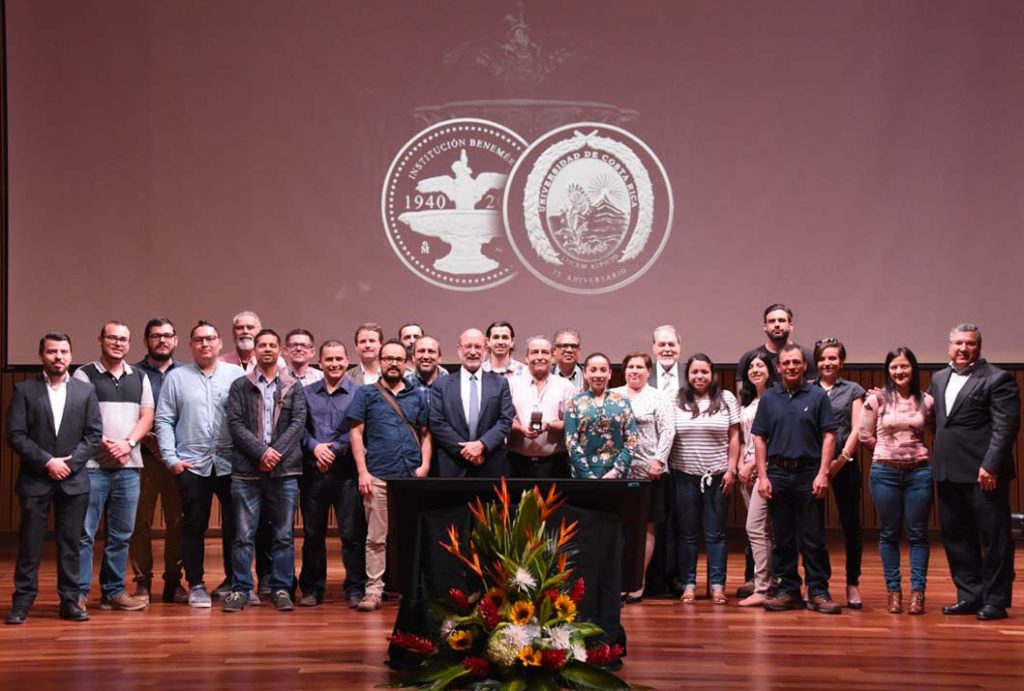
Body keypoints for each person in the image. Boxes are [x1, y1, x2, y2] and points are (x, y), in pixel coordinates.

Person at [6, 333, 103, 624]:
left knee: (71, 543)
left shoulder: (85, 392)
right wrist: (48, 462)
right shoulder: (24, 390)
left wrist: (69, 464)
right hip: (36, 479)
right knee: (30, 544)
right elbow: (15, 435)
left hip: (73, 480)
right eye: (51, 351)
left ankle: (70, 602)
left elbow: (94, 434)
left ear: (71, 356)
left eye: (63, 351)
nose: (58, 357)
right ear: (41, 355)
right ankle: (22, 603)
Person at [929, 323, 1020, 621]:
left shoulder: (997, 378)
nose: (963, 349)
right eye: (958, 343)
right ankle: (969, 595)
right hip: (947, 470)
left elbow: (1005, 427)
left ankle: (995, 600)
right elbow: (935, 421)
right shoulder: (939, 378)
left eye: (969, 343)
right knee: (956, 536)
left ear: (978, 347)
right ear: (949, 346)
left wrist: (991, 464)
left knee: (994, 538)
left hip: (984, 473)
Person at [155, 321, 245, 608]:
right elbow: (164, 419)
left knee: (236, 526)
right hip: (192, 464)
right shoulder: (176, 378)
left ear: (220, 343)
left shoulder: (236, 375)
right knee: (193, 526)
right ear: (190, 345)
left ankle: (235, 583)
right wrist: (171, 459)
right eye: (199, 340)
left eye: (210, 339)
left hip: (231, 464)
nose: (205, 344)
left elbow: (247, 417)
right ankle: (196, 584)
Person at [222, 330, 308, 613]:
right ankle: (241, 589)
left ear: (280, 350)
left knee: (283, 535)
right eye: (262, 345)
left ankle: (281, 588)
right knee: (243, 535)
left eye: (272, 345)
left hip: (284, 472)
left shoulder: (293, 385)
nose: (267, 349)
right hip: (247, 471)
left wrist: (275, 454)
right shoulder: (239, 385)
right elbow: (235, 424)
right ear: (255, 350)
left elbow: (298, 423)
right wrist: (261, 452)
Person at [72, 321, 154, 612]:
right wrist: (107, 442)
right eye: (112, 338)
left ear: (130, 344)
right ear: (100, 340)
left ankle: (114, 592)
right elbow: (79, 415)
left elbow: (147, 416)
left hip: (129, 467)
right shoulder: (84, 374)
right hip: (92, 466)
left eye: (123, 339)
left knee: (121, 535)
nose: (118, 343)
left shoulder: (139, 376)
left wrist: (128, 444)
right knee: (84, 533)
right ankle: (78, 594)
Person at [753, 344, 840, 614]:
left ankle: (818, 591)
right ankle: (788, 590)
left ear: (804, 366)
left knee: (813, 538)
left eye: (796, 362)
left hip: (808, 474)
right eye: (786, 363)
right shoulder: (769, 398)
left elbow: (829, 435)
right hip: (777, 473)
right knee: (783, 538)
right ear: (778, 368)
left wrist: (823, 473)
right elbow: (759, 437)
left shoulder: (817, 396)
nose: (790, 367)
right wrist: (763, 476)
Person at [349, 339, 432, 612]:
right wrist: (363, 472)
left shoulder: (418, 395)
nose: (393, 363)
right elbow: (356, 434)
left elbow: (426, 433)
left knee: (411, 536)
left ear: (406, 363)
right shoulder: (366, 394)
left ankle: (411, 589)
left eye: (398, 359)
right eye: (388, 358)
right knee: (375, 538)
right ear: (380, 362)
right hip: (379, 476)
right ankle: (373, 591)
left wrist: (425, 466)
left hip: (411, 478)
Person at [859, 346, 935, 615]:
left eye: (904, 366)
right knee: (889, 533)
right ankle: (894, 592)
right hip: (885, 473)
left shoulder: (927, 400)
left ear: (913, 368)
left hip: (919, 473)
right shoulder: (876, 399)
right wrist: (886, 452)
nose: (899, 371)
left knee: (918, 534)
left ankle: (918, 594)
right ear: (888, 371)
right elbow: (863, 434)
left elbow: (934, 430)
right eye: (894, 367)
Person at [298, 339, 366, 609]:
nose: (334, 364)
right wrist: (315, 449)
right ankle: (313, 589)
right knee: (313, 535)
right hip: (314, 473)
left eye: (339, 359)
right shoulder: (305, 393)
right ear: (321, 362)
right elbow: (298, 428)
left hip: (347, 473)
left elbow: (359, 430)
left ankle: (354, 588)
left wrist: (333, 451)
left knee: (351, 535)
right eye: (329, 359)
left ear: (347, 360)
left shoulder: (359, 393)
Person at [668, 354, 740, 605]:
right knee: (687, 535)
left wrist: (732, 470)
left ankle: (717, 585)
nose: (699, 377)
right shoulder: (676, 400)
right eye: (694, 372)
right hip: (684, 475)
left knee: (716, 534)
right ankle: (689, 584)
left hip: (718, 476)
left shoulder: (726, 398)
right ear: (687, 375)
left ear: (712, 374)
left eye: (704, 372)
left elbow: (734, 436)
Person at [130, 317, 187, 605]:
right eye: (155, 336)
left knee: (178, 522)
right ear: (146, 341)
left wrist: (169, 446)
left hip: (177, 460)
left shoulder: (186, 373)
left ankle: (174, 583)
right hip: (142, 459)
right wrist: (146, 437)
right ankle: (142, 583)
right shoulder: (133, 373)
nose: (162, 340)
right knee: (139, 522)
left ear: (175, 340)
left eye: (167, 335)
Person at [611, 352, 674, 602]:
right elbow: (604, 429)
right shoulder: (614, 395)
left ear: (649, 371)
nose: (634, 371)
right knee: (622, 526)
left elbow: (668, 431)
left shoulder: (659, 397)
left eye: (639, 367)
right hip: (618, 472)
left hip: (650, 471)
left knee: (646, 526)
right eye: (630, 367)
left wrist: (658, 461)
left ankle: (638, 581)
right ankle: (621, 580)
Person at [813, 338, 866, 608]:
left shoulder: (853, 390)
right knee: (814, 527)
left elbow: (857, 428)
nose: (827, 363)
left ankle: (852, 583)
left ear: (841, 361)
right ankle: (818, 584)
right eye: (822, 358)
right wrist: (822, 466)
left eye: (833, 358)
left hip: (844, 464)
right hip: (814, 467)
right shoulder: (808, 389)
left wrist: (841, 460)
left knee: (851, 526)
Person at [430, 328, 514, 478]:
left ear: (486, 350)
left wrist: (481, 445)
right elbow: (437, 423)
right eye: (468, 346)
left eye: (478, 347)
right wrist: (467, 451)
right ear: (459, 349)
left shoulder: (500, 383)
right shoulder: (441, 384)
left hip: (490, 463)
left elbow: (505, 421)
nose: (473, 352)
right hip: (453, 464)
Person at [736, 352, 779, 607]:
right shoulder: (748, 401)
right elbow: (743, 438)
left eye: (760, 365)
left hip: (767, 470)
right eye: (751, 366)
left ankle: (765, 585)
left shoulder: (775, 399)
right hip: (746, 475)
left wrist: (753, 465)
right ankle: (767, 582)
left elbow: (771, 438)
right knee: (760, 531)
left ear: (770, 370)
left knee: (760, 528)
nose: (755, 370)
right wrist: (742, 465)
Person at [508, 336, 575, 478]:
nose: (540, 357)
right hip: (517, 463)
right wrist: (521, 429)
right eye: (534, 352)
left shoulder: (565, 386)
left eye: (545, 352)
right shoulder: (511, 384)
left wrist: (549, 426)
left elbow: (571, 423)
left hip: (555, 464)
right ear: (526, 358)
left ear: (553, 357)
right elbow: (504, 419)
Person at [565, 352, 637, 479]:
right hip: (583, 475)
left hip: (618, 475)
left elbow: (631, 440)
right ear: (585, 373)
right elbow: (571, 442)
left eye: (603, 370)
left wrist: (617, 471)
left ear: (609, 374)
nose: (598, 375)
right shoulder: (574, 403)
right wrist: (587, 475)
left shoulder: (622, 402)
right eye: (593, 370)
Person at [737, 304, 816, 382]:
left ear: (790, 326)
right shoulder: (750, 359)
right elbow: (741, 393)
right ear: (765, 327)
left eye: (781, 320)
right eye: (772, 321)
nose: (777, 325)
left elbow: (813, 392)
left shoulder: (807, 356)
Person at [344, 322, 383, 386]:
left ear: (381, 345)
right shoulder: (346, 378)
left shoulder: (392, 375)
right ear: (356, 347)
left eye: (372, 341)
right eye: (362, 341)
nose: (367, 345)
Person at [649, 325, 682, 393]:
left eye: (671, 344)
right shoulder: (645, 374)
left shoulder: (689, 374)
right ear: (654, 347)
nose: (667, 349)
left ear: (679, 347)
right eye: (662, 345)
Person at [551, 328, 585, 393]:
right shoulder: (546, 375)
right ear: (554, 350)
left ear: (579, 351)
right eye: (564, 346)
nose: (569, 350)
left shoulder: (588, 376)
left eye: (574, 346)